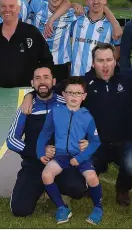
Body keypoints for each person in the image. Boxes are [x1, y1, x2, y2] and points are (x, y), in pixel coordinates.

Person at [20, 43, 132, 206]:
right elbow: (53, 89)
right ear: (93, 63)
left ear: (115, 61)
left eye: (109, 60)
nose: (105, 65)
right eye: (100, 61)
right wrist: (30, 95)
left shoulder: (130, 78)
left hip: (125, 140)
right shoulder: (83, 83)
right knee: (82, 166)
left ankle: (122, 189)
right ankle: (89, 184)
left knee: (131, 166)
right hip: (95, 142)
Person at [7, 66, 89, 217]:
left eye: (46, 77)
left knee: (78, 189)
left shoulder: (66, 103)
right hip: (34, 165)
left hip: (62, 163)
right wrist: (38, 151)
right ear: (32, 83)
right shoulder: (27, 107)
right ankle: (39, 189)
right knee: (20, 210)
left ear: (54, 81)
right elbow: (11, 139)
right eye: (37, 78)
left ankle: (57, 189)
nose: (42, 81)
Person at [37, 77, 103, 225]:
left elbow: (95, 142)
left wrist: (80, 158)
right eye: (70, 93)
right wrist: (40, 152)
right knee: (46, 175)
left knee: (92, 177)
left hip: (80, 156)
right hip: (60, 156)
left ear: (84, 96)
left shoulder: (87, 116)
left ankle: (98, 208)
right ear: (64, 94)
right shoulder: (55, 112)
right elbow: (44, 134)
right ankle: (62, 207)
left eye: (78, 93)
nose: (74, 96)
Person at [13, 0, 80, 82]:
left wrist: (115, 25)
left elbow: (93, 11)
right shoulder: (38, 5)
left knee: (60, 95)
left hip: (61, 63)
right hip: (38, 61)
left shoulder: (71, 13)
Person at [69, 0, 122, 77]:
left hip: (98, 77)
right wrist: (73, 4)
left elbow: (118, 50)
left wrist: (105, 67)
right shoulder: (76, 19)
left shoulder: (111, 25)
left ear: (105, 0)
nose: (95, 1)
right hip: (75, 75)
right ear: (86, 1)